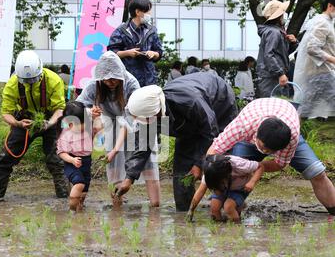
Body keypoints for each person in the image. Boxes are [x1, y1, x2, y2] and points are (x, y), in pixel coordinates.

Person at [115, 72, 238, 211]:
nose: (146, 122)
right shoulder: (149, 112)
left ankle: (229, 205)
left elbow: (211, 132)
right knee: (182, 172)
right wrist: (129, 178)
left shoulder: (191, 102)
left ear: (158, 111)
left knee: (218, 163)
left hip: (219, 104)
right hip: (187, 126)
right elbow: (143, 145)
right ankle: (184, 210)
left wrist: (198, 164)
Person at [207, 98, 335, 217]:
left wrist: (257, 167)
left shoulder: (292, 137)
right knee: (233, 171)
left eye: (269, 151)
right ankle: (228, 206)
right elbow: (214, 150)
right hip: (252, 126)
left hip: (285, 124)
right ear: (257, 135)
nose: (264, 152)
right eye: (262, 147)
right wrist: (218, 173)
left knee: (317, 172)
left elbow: (280, 164)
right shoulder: (244, 125)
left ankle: (333, 211)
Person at [76, 51, 160, 207]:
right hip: (112, 123)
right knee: (113, 164)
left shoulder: (131, 83)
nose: (110, 82)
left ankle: (155, 205)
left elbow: (128, 121)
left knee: (148, 161)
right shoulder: (94, 85)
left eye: (114, 78)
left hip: (136, 121)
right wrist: (89, 112)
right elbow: (76, 107)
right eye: (106, 79)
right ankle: (117, 204)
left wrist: (116, 148)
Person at [0, 50, 69, 199]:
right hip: (23, 121)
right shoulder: (12, 84)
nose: (29, 83)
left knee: (57, 160)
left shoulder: (54, 80)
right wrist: (17, 123)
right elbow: (6, 113)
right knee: (4, 159)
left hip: (51, 120)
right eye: (26, 81)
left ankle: (66, 199)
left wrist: (49, 123)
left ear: (40, 72)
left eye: (33, 80)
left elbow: (60, 108)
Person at [294, 0, 335, 119]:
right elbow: (312, 48)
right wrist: (333, 59)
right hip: (321, 74)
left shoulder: (325, 21)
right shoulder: (322, 22)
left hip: (321, 73)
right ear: (330, 6)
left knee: (305, 108)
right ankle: (290, 131)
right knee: (305, 108)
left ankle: (291, 131)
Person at [188, 155, 264, 223]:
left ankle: (236, 228)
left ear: (227, 174)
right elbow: (200, 191)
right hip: (222, 189)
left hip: (240, 188)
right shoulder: (209, 174)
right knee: (214, 207)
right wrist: (191, 210)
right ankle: (219, 229)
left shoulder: (239, 164)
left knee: (228, 207)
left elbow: (260, 166)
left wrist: (252, 182)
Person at [107, 0, 163, 87]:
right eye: (147, 11)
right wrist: (128, 53)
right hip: (128, 79)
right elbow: (111, 53)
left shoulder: (152, 30)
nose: (149, 14)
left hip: (149, 79)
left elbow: (159, 52)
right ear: (137, 12)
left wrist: (153, 54)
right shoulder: (121, 30)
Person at [57, 101, 97, 211]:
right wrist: (72, 160)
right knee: (79, 183)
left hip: (86, 162)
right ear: (70, 124)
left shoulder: (87, 126)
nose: (84, 126)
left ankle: (79, 210)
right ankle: (72, 210)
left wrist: (95, 113)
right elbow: (61, 152)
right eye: (81, 124)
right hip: (72, 162)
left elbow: (93, 116)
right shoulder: (65, 134)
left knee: (84, 191)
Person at [256, 0, 299, 98]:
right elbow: (269, 54)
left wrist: (294, 42)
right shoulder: (273, 32)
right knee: (273, 109)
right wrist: (280, 73)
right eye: (282, 14)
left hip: (272, 76)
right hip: (271, 78)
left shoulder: (274, 32)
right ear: (278, 16)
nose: (283, 16)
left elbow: (282, 54)